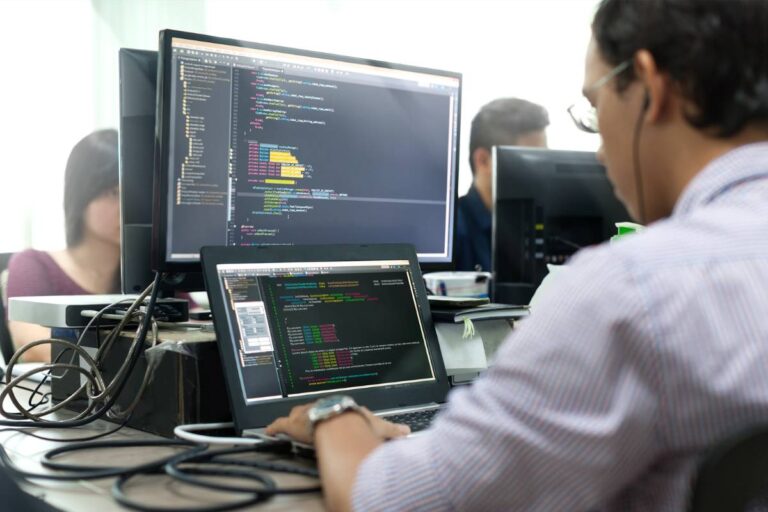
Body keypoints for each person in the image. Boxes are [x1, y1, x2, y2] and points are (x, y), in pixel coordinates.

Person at [266, 0, 768, 510]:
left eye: (594, 105)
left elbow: (389, 500)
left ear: (648, 86)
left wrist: (336, 416)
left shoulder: (632, 293)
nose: (598, 148)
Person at [6, 129, 120, 363]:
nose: (130, 205)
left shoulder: (152, 273)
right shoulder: (33, 265)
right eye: (114, 192)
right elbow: (33, 347)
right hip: (67, 397)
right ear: (81, 196)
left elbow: (193, 331)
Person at [455, 97, 549, 271]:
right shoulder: (455, 233)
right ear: (483, 161)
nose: (541, 171)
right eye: (529, 160)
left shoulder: (537, 228)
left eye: (545, 159)